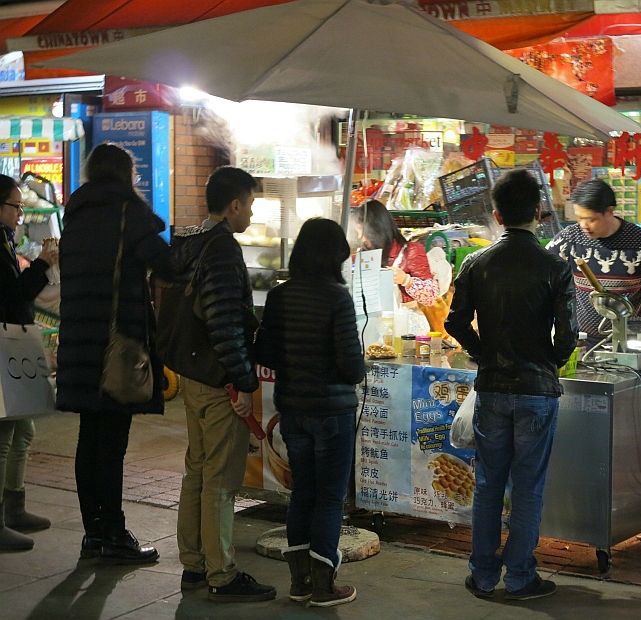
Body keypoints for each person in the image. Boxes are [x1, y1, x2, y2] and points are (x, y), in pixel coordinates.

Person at [445, 168, 577, 601]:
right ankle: (519, 577)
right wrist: (550, 361)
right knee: (527, 487)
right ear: (538, 212)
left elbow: (455, 321)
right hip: (538, 391)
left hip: (493, 390)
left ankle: (483, 575)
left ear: (497, 215)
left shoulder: (475, 263)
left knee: (487, 484)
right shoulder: (556, 267)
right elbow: (568, 336)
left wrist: (483, 353)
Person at [165, 166, 274, 603]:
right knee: (221, 479)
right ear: (234, 205)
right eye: (249, 204)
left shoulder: (190, 242)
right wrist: (244, 382)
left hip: (190, 372)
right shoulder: (224, 250)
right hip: (217, 378)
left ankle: (193, 564)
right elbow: (225, 321)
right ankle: (222, 573)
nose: (250, 212)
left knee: (197, 468)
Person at [57, 144, 171, 563]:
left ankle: (95, 533)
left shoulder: (77, 214)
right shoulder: (128, 212)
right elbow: (169, 264)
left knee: (91, 441)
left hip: (80, 349)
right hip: (116, 349)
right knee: (112, 444)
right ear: (126, 174)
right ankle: (114, 535)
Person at [256, 218, 364, 607]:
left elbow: (265, 354)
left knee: (303, 492)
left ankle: (299, 581)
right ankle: (324, 585)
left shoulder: (280, 296)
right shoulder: (338, 297)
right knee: (330, 498)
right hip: (332, 414)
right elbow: (351, 367)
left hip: (294, 412)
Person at [0, 174, 58, 551]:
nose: (21, 214)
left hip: (14, 344)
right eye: (16, 206)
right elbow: (10, 296)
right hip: (5, 345)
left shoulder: (5, 242)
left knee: (23, 431)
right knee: (5, 436)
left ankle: (14, 505)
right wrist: (41, 266)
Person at [547, 178, 641, 345]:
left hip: (630, 342)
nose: (584, 225)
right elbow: (542, 269)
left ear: (609, 211)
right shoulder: (570, 238)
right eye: (579, 218)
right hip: (582, 341)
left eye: (591, 219)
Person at [353, 200, 440, 334]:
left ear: (377, 229)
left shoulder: (411, 251)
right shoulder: (363, 255)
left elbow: (430, 297)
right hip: (373, 329)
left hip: (408, 329)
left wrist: (406, 280)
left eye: (363, 232)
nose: (360, 237)